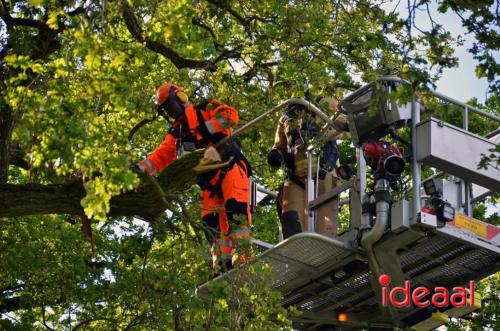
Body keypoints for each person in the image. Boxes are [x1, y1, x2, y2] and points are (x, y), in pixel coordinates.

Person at [132, 83, 252, 272]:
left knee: (236, 214)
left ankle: (243, 262)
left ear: (181, 97)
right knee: (210, 224)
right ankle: (222, 265)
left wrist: (205, 129)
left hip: (230, 168)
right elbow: (161, 155)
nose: (171, 112)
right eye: (166, 110)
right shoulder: (177, 132)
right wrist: (138, 169)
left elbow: (230, 116)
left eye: (171, 106)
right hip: (209, 183)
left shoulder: (206, 108)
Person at [267, 96, 350, 239]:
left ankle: (324, 258)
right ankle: (296, 256)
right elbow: (280, 145)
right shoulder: (286, 118)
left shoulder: (323, 105)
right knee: (291, 223)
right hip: (296, 179)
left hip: (324, 175)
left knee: (325, 231)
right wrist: (275, 154)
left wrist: (322, 130)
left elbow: (347, 127)